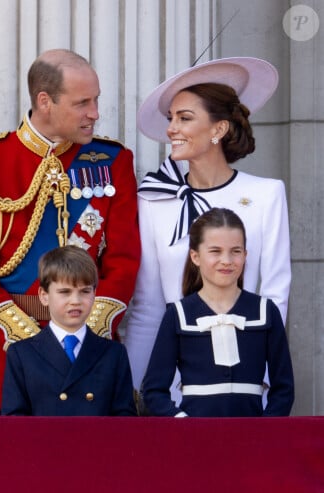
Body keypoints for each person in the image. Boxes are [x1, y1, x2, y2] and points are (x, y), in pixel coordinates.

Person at [0, 48, 140, 414]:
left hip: (90, 353)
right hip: (9, 354)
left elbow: (125, 260)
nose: (95, 113)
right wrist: (32, 343)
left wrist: (86, 326)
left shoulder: (113, 161)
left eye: (96, 100)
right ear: (45, 101)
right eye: (82, 102)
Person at [124, 57, 291, 408]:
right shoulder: (155, 199)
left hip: (245, 383)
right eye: (171, 118)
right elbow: (148, 307)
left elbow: (275, 295)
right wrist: (138, 389)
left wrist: (261, 381)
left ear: (219, 129)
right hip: (174, 388)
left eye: (185, 118)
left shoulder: (266, 194)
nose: (171, 128)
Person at [142, 208, 294, 417]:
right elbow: (153, 391)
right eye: (215, 251)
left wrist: (264, 430)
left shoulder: (266, 312)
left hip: (253, 442)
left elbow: (284, 389)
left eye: (236, 251)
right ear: (195, 256)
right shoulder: (178, 314)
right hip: (194, 440)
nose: (227, 260)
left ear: (246, 254)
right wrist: (182, 423)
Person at [1, 245, 136, 416]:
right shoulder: (21, 354)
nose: (76, 301)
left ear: (95, 293)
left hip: (97, 442)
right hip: (43, 442)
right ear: (44, 296)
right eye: (65, 292)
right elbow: (15, 421)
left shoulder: (114, 354)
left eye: (85, 291)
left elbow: (125, 421)